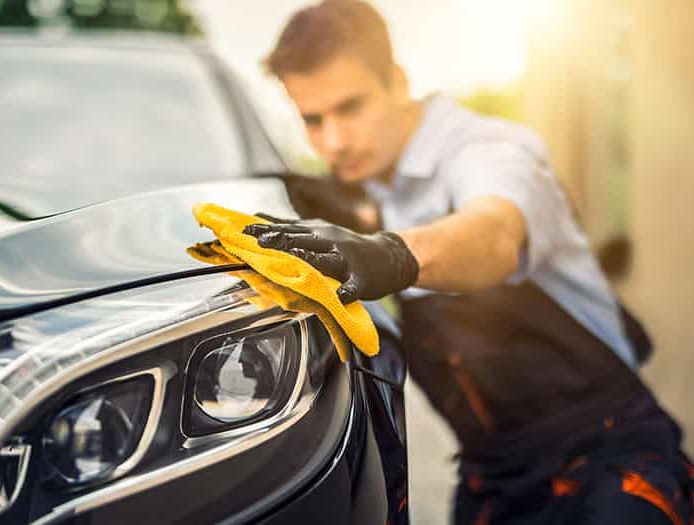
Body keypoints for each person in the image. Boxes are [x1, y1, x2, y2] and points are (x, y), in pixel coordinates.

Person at [244, 1, 694, 523]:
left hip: (608, 466)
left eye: (351, 107)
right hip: (491, 484)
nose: (334, 141)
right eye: (312, 119)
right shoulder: (368, 190)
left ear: (397, 80)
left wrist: (392, 254)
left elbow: (496, 233)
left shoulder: (489, 150)